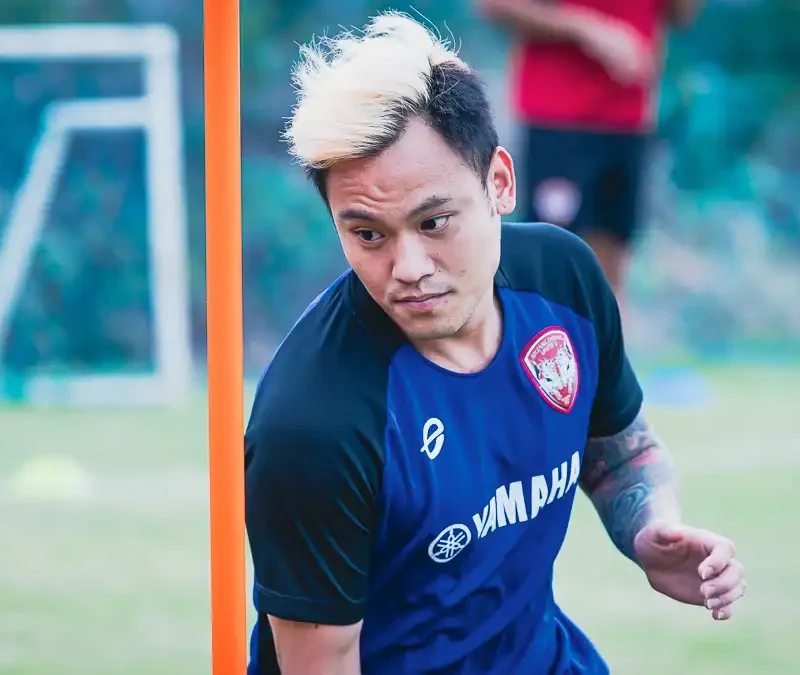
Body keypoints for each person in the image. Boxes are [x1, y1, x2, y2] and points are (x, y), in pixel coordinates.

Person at [244, 12, 744, 675]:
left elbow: (621, 450)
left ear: (499, 183)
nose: (408, 267)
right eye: (368, 234)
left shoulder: (563, 281)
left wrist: (651, 525)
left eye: (434, 221)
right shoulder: (314, 424)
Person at [478, 0, 702, 297]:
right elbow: (496, 6)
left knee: (609, 273)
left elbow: (682, 16)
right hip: (559, 117)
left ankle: (602, 328)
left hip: (629, 118)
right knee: (554, 264)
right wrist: (587, 30)